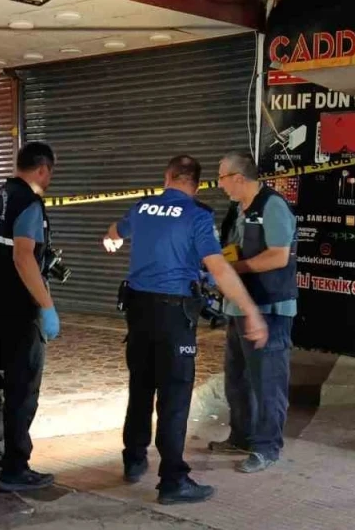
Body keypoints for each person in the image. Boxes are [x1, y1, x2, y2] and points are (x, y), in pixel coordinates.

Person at [103, 155, 268, 505]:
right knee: (175, 396)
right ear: (195, 184)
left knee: (140, 387)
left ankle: (134, 461)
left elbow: (114, 232)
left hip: (138, 312)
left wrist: (112, 239)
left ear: (167, 177)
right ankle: (173, 481)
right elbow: (218, 269)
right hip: (174, 316)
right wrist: (250, 310)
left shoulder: (143, 208)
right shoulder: (197, 216)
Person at [0, 141, 61, 493]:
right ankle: (15, 468)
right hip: (18, 312)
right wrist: (47, 306)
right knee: (22, 390)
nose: (50, 178)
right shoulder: (29, 203)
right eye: (51, 172)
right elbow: (23, 257)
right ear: (42, 169)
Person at [210, 151, 298, 474]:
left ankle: (267, 448)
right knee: (237, 380)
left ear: (238, 178)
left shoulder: (273, 205)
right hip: (238, 308)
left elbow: (278, 256)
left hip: (269, 309)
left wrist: (235, 268)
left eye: (221, 178)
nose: (219, 185)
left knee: (268, 383)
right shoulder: (237, 209)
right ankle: (241, 437)